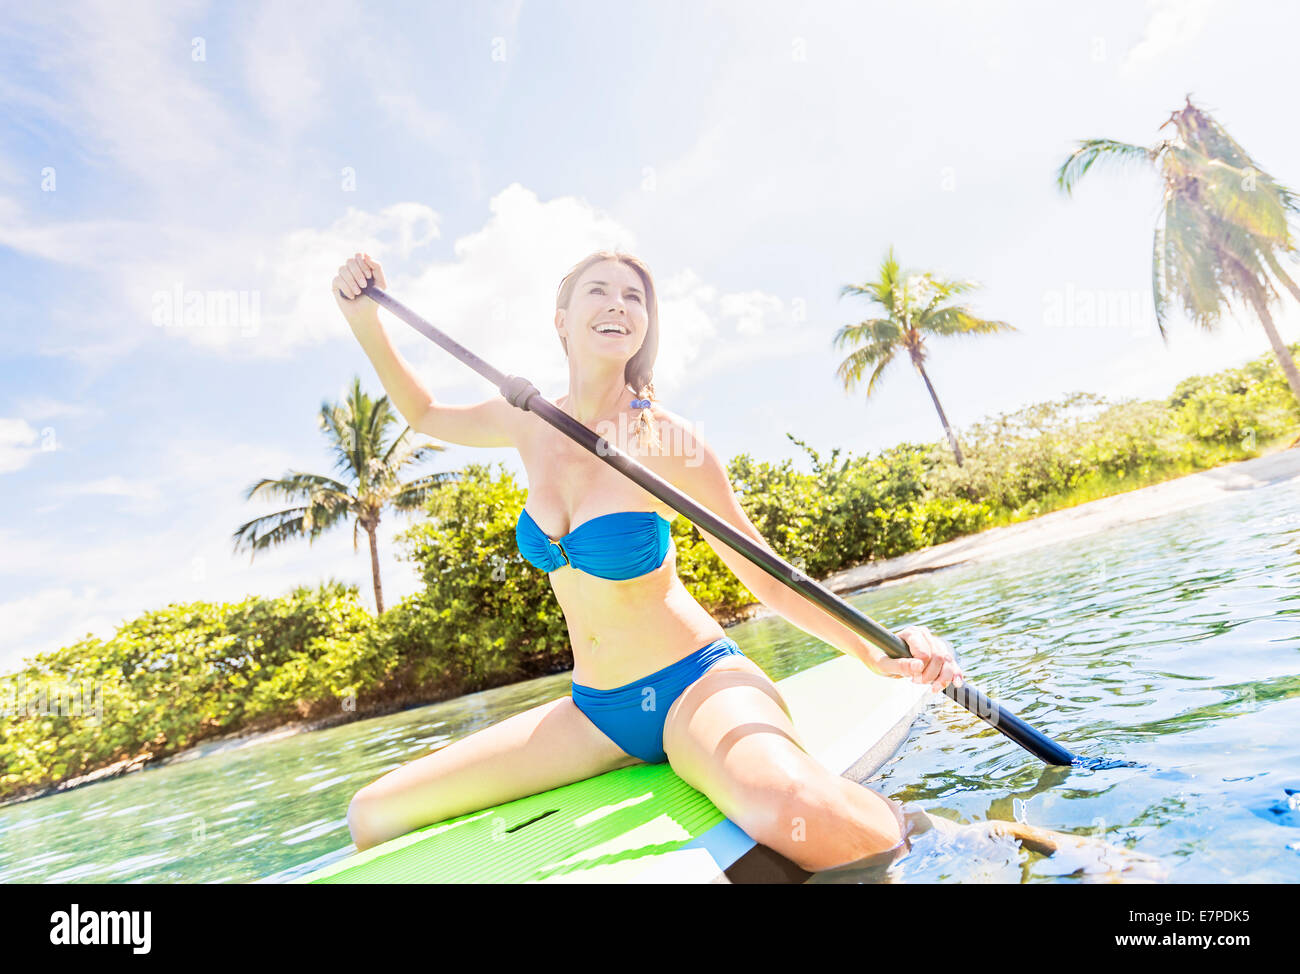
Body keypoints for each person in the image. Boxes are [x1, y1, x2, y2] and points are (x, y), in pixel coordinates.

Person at [334, 248, 964, 873]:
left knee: (789, 806)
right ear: (561, 320)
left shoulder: (666, 439)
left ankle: (932, 835)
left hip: (694, 686)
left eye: (634, 297)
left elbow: (764, 572)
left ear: (644, 326)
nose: (617, 304)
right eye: (598, 291)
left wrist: (867, 650)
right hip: (594, 711)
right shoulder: (526, 420)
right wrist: (363, 315)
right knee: (374, 814)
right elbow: (423, 413)